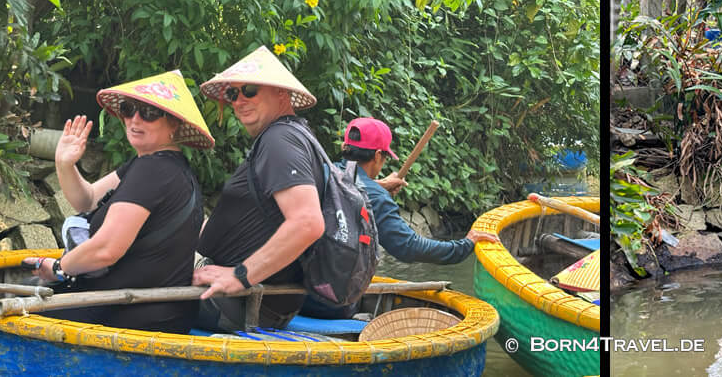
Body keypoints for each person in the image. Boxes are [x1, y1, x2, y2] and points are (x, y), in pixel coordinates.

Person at [24, 69, 212, 333]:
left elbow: (106, 249)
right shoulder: (153, 165)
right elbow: (87, 200)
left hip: (129, 316)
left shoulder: (154, 170)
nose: (135, 119)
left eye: (149, 112)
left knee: (17, 311)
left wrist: (58, 268)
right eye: (128, 109)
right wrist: (64, 164)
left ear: (174, 124)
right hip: (158, 314)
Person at [194, 47, 330, 332]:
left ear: (281, 93)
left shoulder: (280, 139)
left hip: (238, 304)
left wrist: (240, 275)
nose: (239, 100)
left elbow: (307, 223)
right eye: (233, 94)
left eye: (250, 90)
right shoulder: (294, 135)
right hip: (255, 302)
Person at [337, 118, 501, 265]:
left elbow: (350, 183)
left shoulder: (323, 171)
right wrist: (465, 244)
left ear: (345, 147)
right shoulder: (376, 197)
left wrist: (378, 185)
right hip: (339, 294)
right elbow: (409, 247)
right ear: (378, 156)